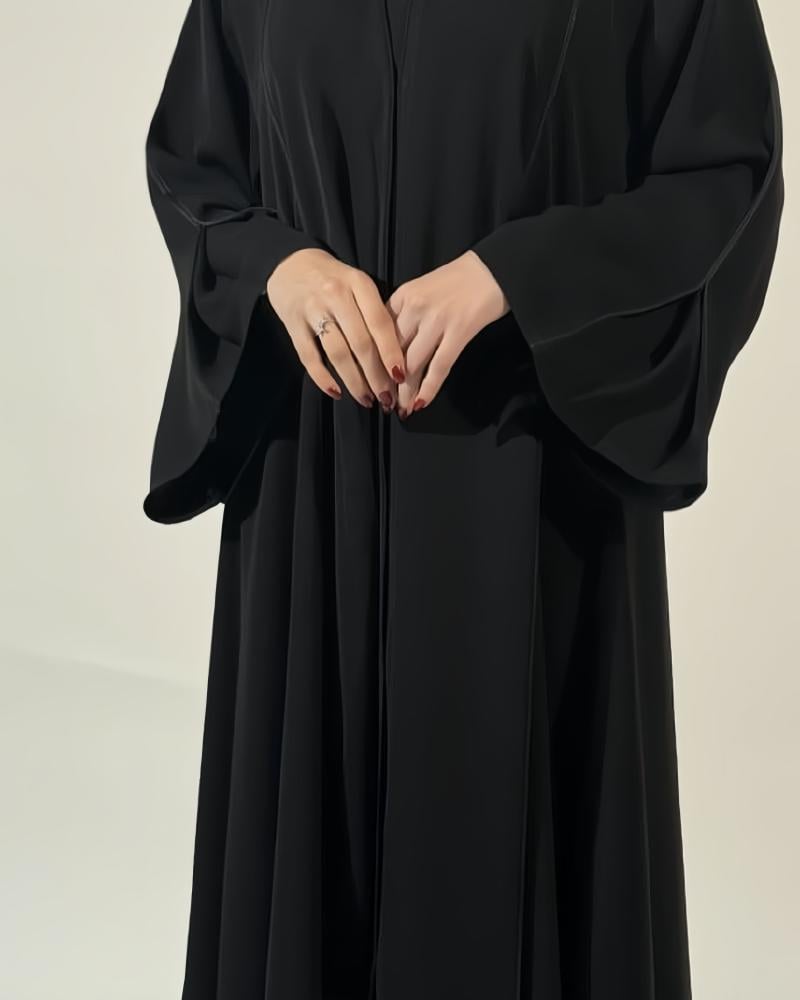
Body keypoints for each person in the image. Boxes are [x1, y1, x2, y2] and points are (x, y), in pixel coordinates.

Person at [142, 1, 784, 997]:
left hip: (532, 478)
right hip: (313, 473)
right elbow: (194, 164)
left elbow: (722, 172)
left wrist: (517, 274)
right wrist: (280, 267)